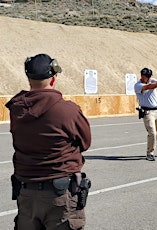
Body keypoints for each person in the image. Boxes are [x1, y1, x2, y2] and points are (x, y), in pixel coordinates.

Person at [6, 53, 92, 230]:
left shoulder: (17, 109)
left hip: (26, 193)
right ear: (53, 79)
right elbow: (85, 142)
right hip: (59, 195)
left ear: (29, 79)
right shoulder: (67, 110)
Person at [134, 67, 157, 161]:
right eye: (148, 77)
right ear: (142, 76)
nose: (150, 79)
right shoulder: (138, 85)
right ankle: (150, 153)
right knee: (152, 132)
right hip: (147, 112)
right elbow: (149, 87)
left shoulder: (151, 80)